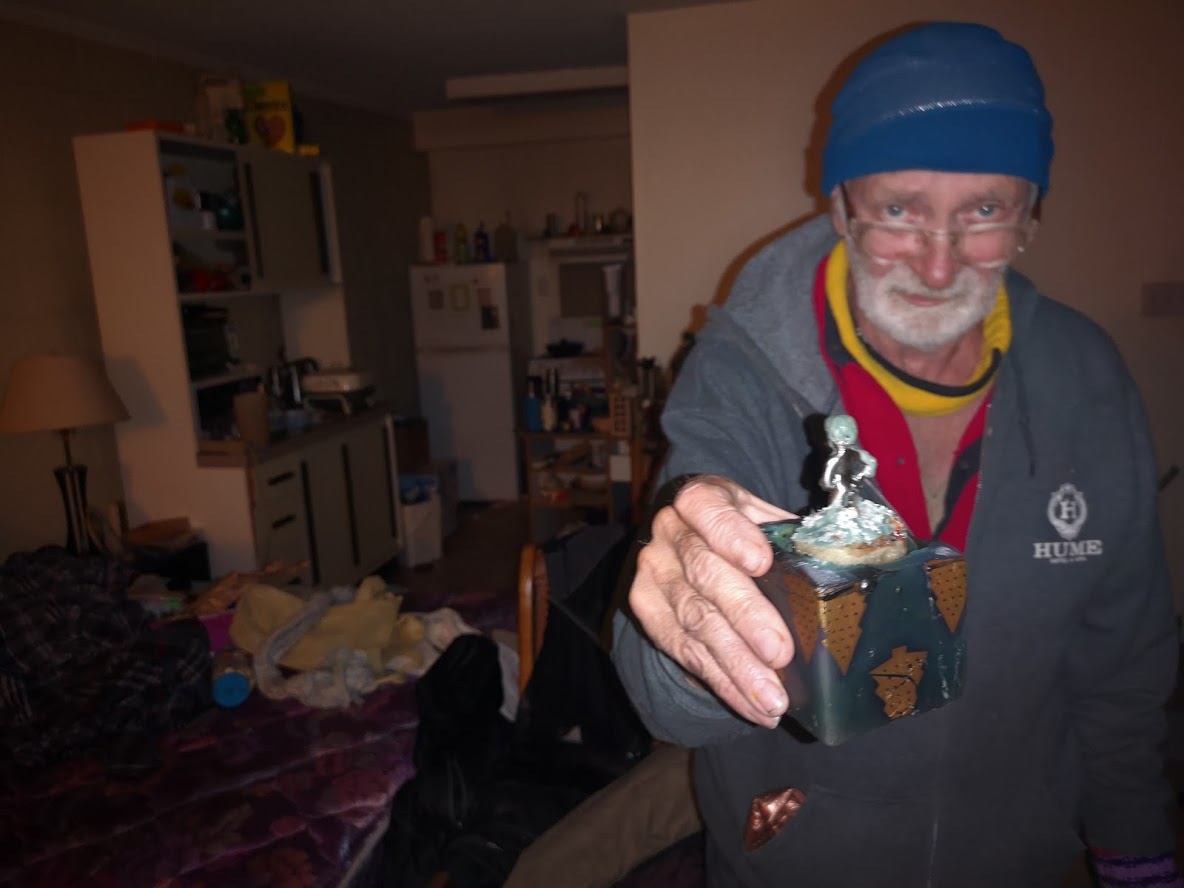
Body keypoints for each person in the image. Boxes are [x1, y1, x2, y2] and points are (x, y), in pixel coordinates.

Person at [612, 21, 1180, 888]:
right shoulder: (741, 374)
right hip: (793, 865)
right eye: (899, 211)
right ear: (841, 206)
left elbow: (1123, 663)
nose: (938, 265)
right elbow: (671, 704)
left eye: (983, 212)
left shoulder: (1088, 377)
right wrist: (685, 633)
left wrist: (1134, 846)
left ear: (1029, 216)